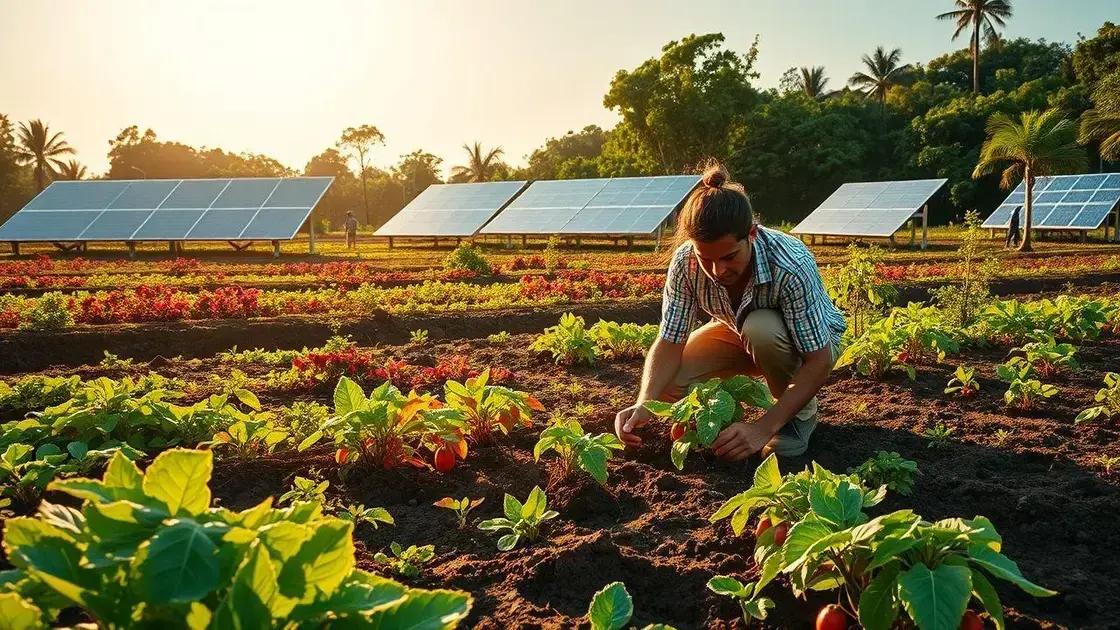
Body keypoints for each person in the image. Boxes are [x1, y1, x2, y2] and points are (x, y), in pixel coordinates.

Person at [614, 164, 846, 460]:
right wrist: (644, 402)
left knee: (760, 328)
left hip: (812, 343)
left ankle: (798, 418)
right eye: (705, 259)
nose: (717, 270)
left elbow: (819, 360)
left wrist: (762, 428)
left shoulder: (790, 265)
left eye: (728, 257)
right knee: (669, 382)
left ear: (751, 234)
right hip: (736, 329)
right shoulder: (686, 262)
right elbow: (670, 341)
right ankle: (717, 428)